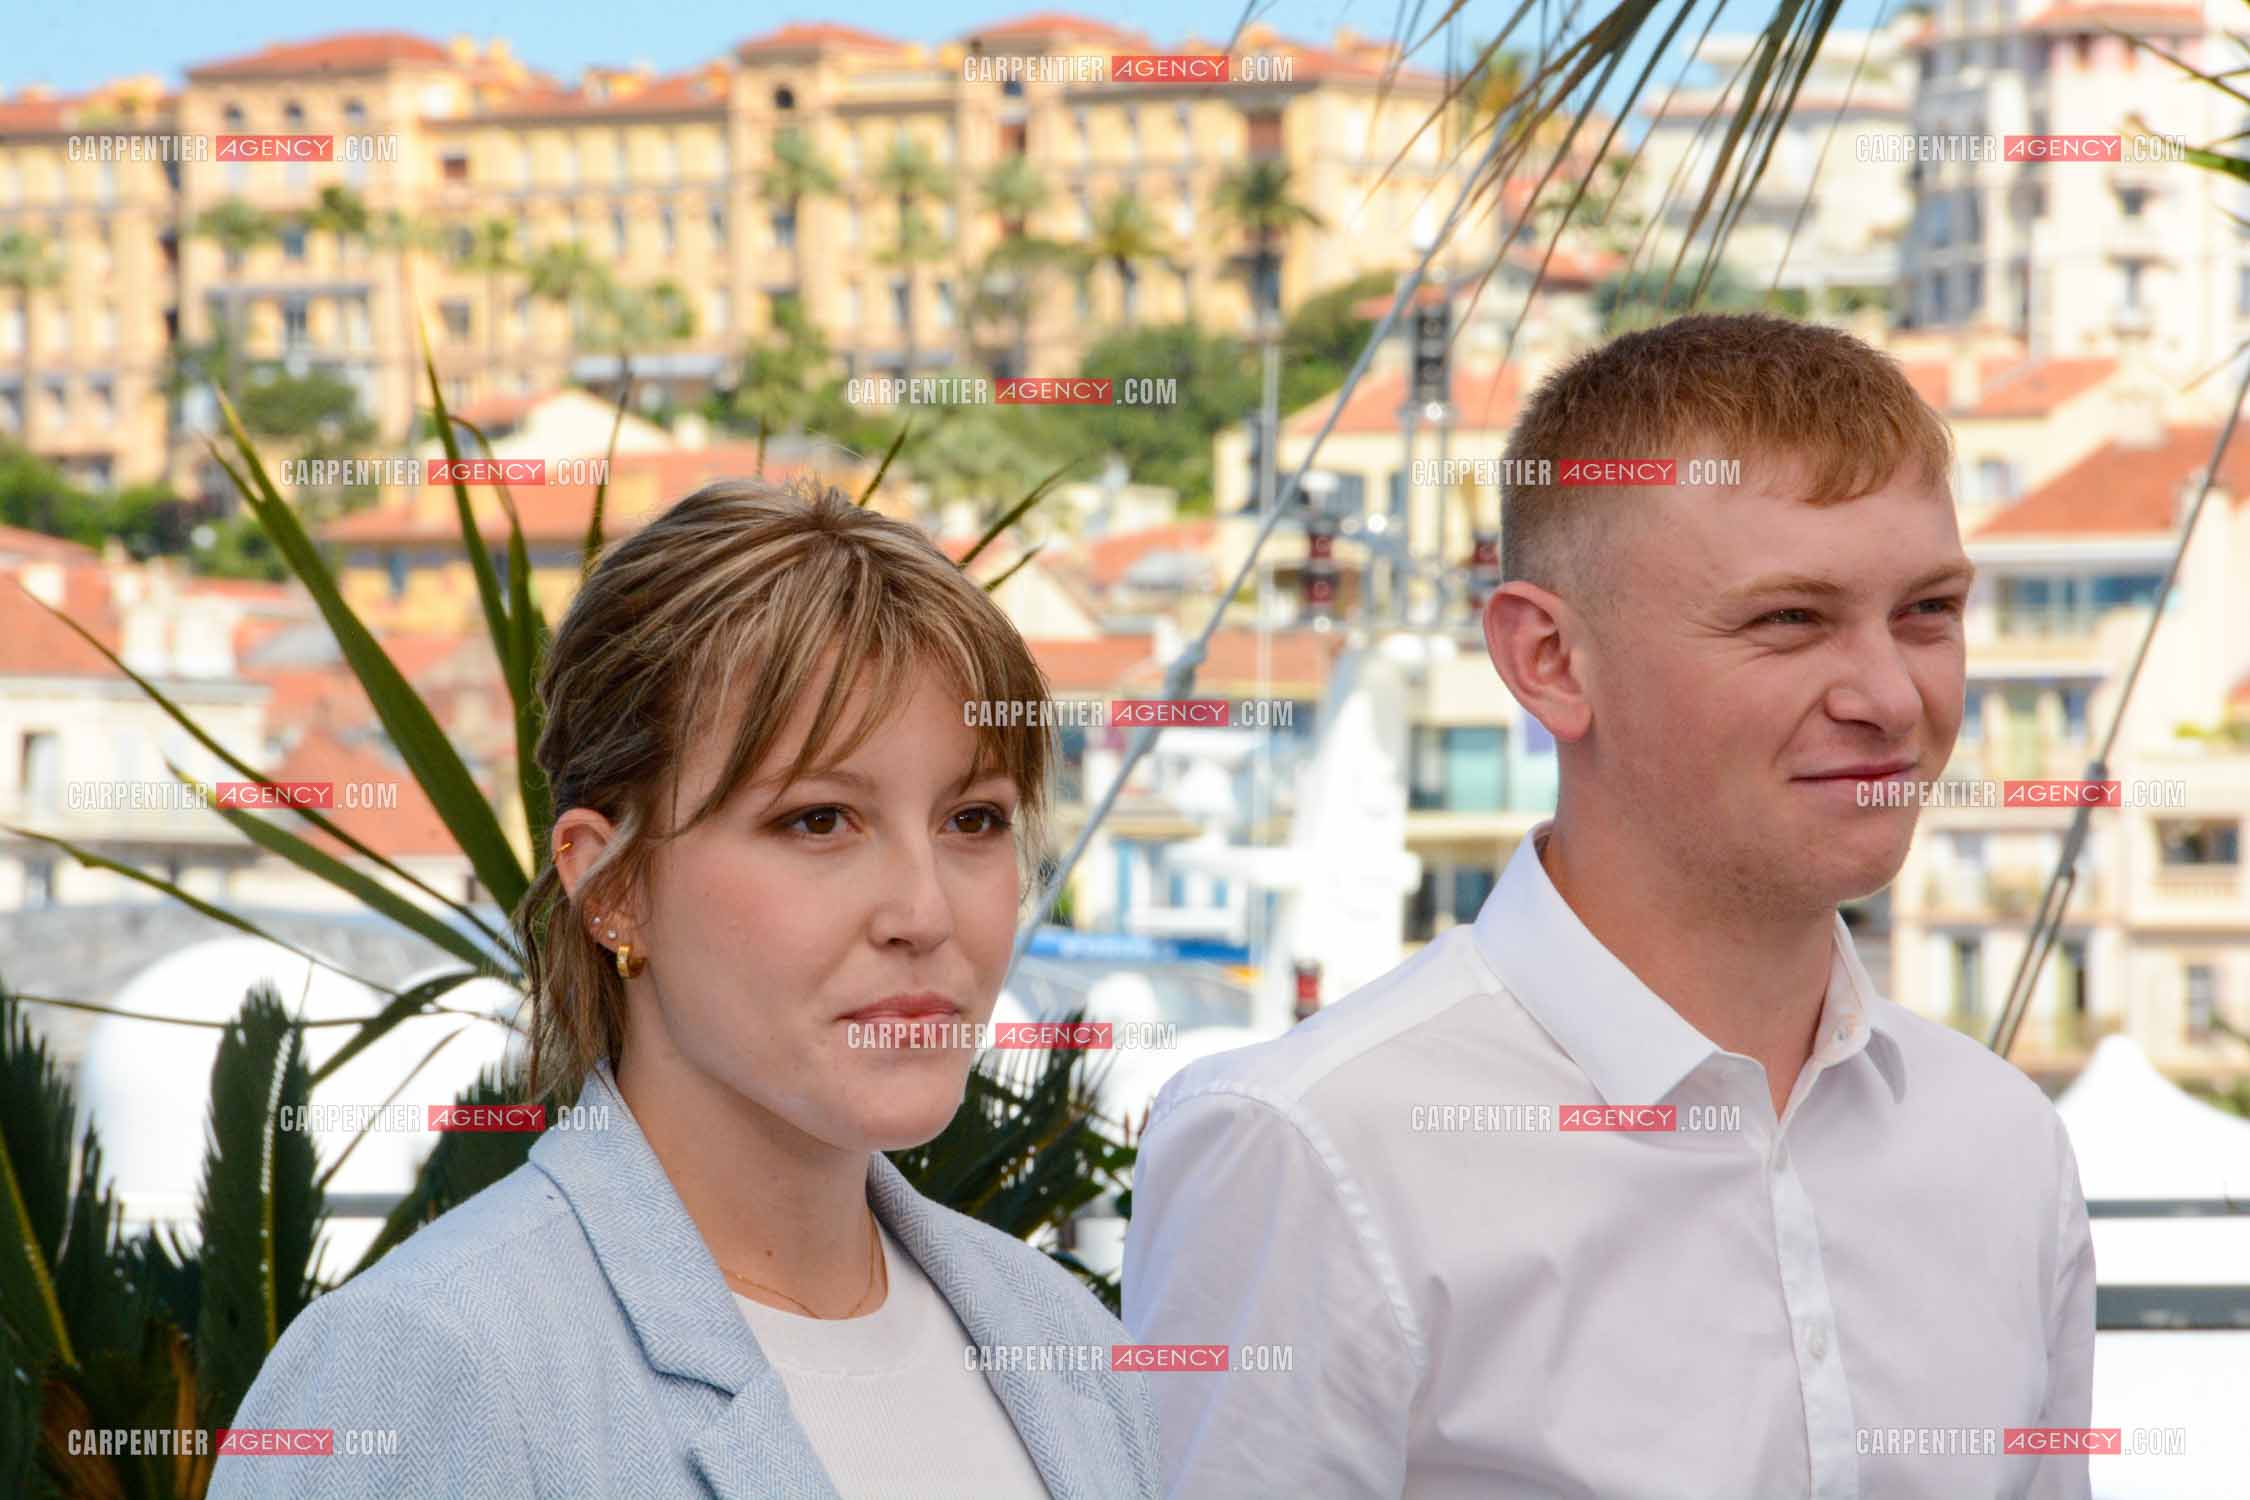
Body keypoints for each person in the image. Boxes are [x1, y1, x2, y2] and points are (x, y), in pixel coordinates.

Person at [1123, 314, 2095, 1498]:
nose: (1892, 695)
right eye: (1788, 619)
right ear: (1550, 662)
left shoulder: (2003, 1146)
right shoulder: (1313, 1150)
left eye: (1928, 611)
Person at [212, 479, 1159, 1499]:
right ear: (612, 885)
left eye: (972, 820)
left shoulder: (1068, 1351)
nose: (923, 913)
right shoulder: (425, 1373)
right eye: (819, 821)